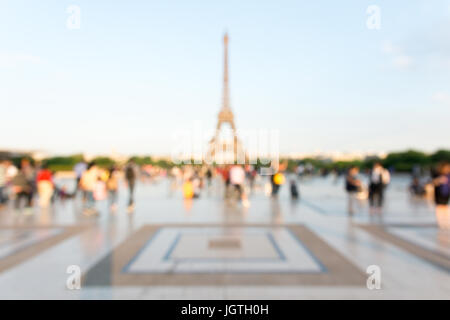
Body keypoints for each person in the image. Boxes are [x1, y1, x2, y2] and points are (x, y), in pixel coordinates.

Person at [432, 162, 450, 229]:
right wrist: (439, 180)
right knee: (439, 208)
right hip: (439, 193)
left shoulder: (448, 175)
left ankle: (446, 223)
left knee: (446, 208)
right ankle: (440, 223)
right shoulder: (437, 174)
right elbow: (433, 183)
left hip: (447, 193)